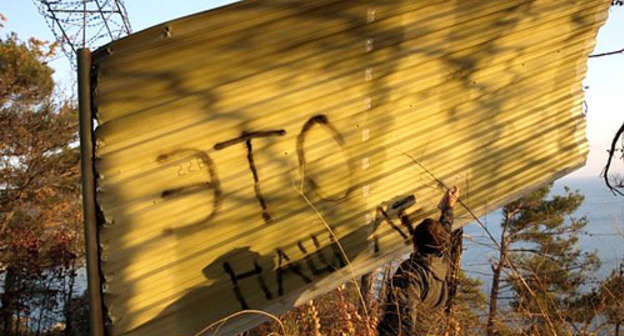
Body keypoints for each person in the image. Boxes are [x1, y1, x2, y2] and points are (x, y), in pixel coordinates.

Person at [377, 186, 460, 336]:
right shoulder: (441, 264)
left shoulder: (411, 273)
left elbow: (402, 321)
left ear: (414, 243)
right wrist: (448, 208)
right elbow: (444, 234)